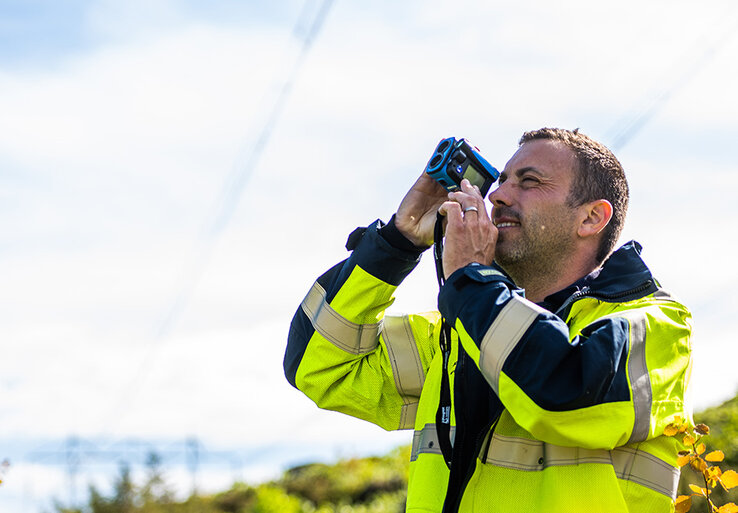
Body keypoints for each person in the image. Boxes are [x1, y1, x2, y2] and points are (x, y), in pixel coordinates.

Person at [284, 128, 692, 513]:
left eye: (529, 181)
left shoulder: (657, 324)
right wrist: (395, 245)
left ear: (590, 218)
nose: (496, 196)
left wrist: (473, 281)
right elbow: (317, 364)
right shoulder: (458, 333)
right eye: (501, 180)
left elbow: (567, 393)